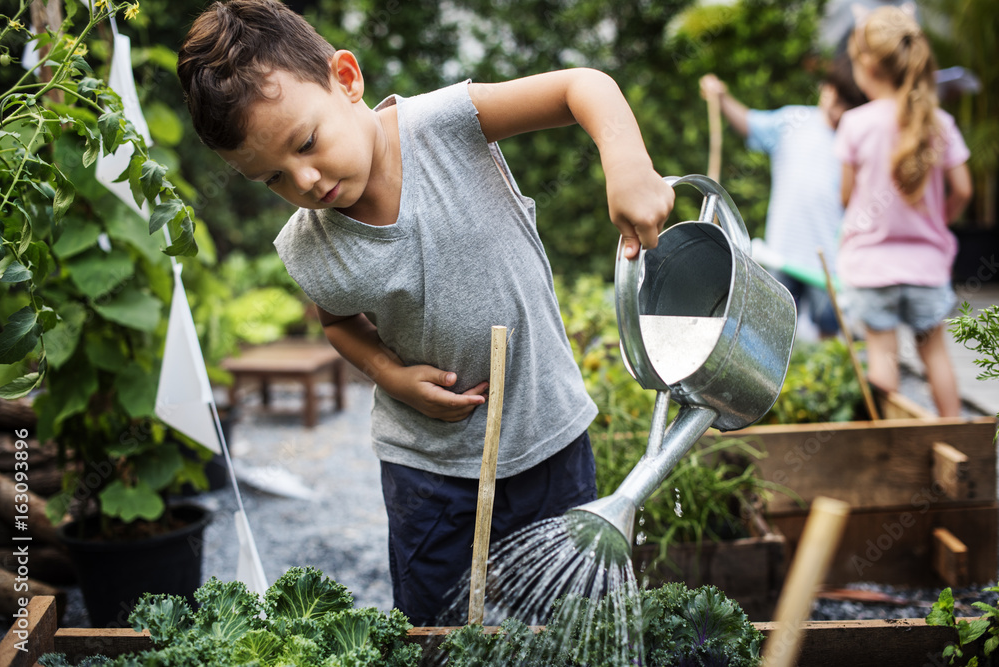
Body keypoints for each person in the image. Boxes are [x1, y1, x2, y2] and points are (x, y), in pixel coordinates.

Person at [177, 0, 675, 625]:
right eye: (271, 177)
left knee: (568, 622)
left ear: (347, 80)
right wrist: (390, 374)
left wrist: (626, 162)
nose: (303, 181)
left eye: (307, 142)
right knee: (431, 626)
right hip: (426, 467)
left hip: (548, 434)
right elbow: (338, 324)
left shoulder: (446, 125)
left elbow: (583, 87)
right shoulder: (309, 245)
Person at [836, 5, 972, 417]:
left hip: (871, 267)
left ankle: (887, 446)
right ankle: (956, 437)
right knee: (935, 356)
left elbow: (845, 197)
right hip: (926, 265)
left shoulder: (856, 124)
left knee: (883, 356)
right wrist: (936, 221)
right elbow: (963, 190)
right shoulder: (940, 123)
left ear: (867, 64)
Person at [699, 55, 867, 339]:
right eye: (835, 97)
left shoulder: (856, 138)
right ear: (826, 89)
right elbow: (751, 123)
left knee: (830, 328)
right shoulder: (794, 121)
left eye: (847, 105)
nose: (838, 110)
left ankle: (826, 379)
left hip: (827, 260)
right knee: (771, 330)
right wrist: (723, 98)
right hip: (782, 252)